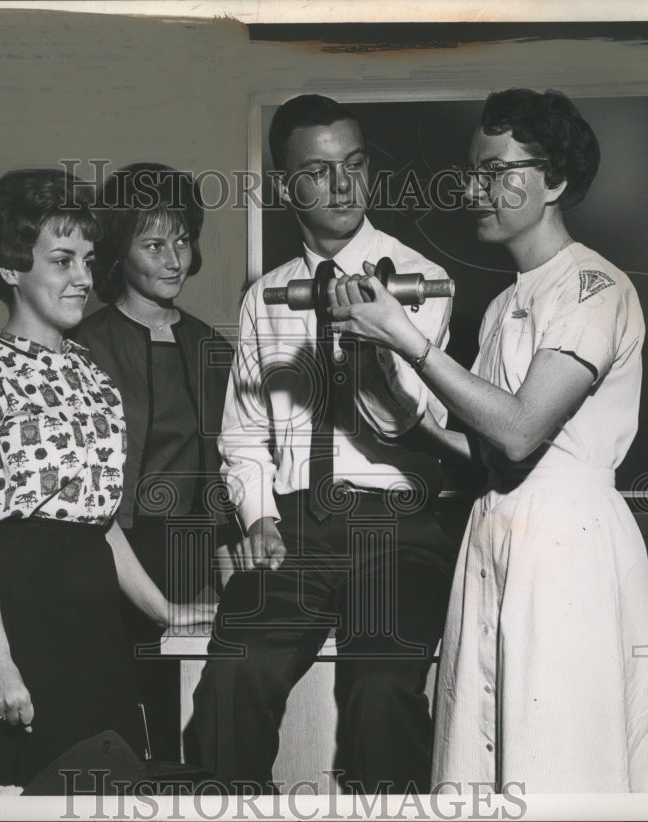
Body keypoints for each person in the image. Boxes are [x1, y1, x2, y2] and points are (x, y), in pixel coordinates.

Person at [328, 89, 648, 793]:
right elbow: (488, 454)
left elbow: (520, 434)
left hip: (566, 548)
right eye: (472, 171)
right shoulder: (506, 304)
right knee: (486, 757)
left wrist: (408, 337)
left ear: (556, 181)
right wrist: (408, 408)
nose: (473, 189)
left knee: (560, 760)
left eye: (495, 171)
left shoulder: (592, 287)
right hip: (495, 535)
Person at [0, 168, 214, 793]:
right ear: (11, 268)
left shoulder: (91, 377)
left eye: (90, 260)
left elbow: (98, 522)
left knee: (104, 790)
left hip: (93, 632)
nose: (84, 279)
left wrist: (164, 611)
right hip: (11, 623)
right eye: (62, 260)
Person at [189, 94, 456, 794]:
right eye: (319, 170)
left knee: (381, 699)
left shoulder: (422, 281)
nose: (342, 186)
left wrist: (375, 338)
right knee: (227, 691)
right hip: (295, 525)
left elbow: (408, 426)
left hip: (398, 528)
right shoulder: (264, 297)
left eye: (355, 165)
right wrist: (260, 519)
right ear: (285, 187)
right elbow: (243, 438)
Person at [73, 162, 235, 761]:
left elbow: (223, 475)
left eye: (182, 241)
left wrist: (229, 581)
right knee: (115, 728)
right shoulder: (82, 346)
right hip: (106, 555)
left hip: (189, 554)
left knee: (186, 724)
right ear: (121, 251)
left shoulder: (211, 348)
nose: (173, 259)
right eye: (154, 243)